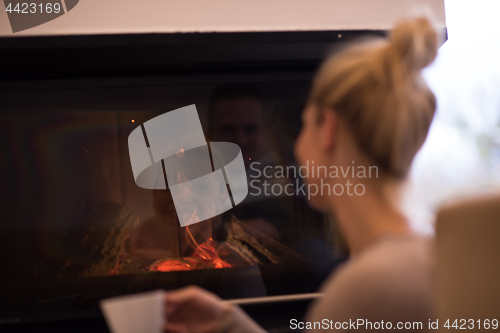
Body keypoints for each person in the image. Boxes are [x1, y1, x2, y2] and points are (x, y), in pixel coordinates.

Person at [163, 17, 439, 333]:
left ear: (328, 131)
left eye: (305, 125)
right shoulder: (429, 260)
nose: (297, 147)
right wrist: (233, 325)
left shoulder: (362, 289)